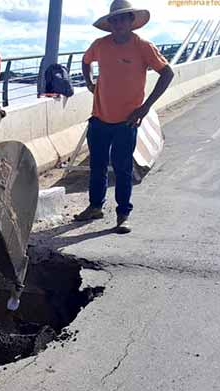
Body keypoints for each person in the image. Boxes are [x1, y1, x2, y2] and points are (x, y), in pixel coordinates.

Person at [74, 0, 174, 234]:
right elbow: (85, 60)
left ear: (131, 21)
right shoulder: (100, 45)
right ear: (110, 23)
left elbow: (167, 73)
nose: (118, 23)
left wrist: (146, 107)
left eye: (123, 18)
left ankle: (123, 214)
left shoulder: (143, 47)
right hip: (99, 118)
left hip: (126, 121)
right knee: (97, 166)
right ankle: (95, 206)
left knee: (122, 168)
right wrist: (89, 82)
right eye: (114, 19)